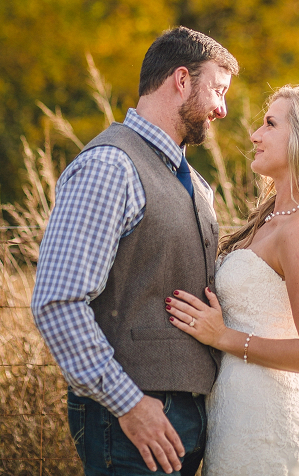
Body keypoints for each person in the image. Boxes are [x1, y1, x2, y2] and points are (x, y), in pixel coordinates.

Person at [32, 27, 239, 476]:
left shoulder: (195, 183)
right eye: (217, 91)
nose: (222, 109)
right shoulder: (111, 165)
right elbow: (57, 300)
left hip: (184, 416)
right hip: (131, 417)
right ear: (181, 80)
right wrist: (129, 405)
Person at [166, 85, 299, 476]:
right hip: (235, 414)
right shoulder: (270, 219)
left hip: (269, 424)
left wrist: (223, 337)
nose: (255, 135)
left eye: (270, 124)